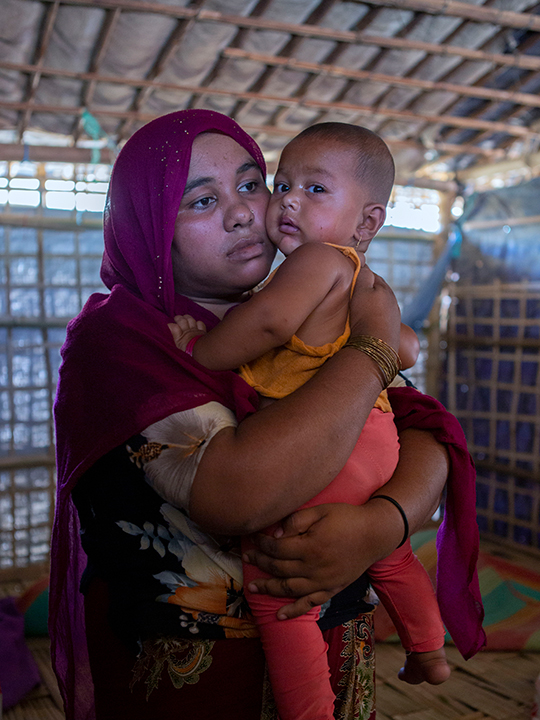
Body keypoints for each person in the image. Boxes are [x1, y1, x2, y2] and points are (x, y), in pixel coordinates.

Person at [50, 109, 485, 720]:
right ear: (149, 225)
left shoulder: (306, 309)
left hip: (341, 653)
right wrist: (375, 349)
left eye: (253, 184)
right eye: (201, 200)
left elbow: (422, 432)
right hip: (195, 680)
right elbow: (237, 494)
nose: (244, 212)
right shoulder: (121, 338)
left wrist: (382, 526)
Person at [168, 123, 449, 720]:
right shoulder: (359, 281)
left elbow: (267, 324)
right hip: (375, 442)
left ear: (366, 223)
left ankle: (310, 712)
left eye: (315, 189)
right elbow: (404, 350)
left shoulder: (317, 261)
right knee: (390, 556)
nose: (287, 200)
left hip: (332, 450)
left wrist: (200, 353)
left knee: (278, 593)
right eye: (283, 184)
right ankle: (428, 648)